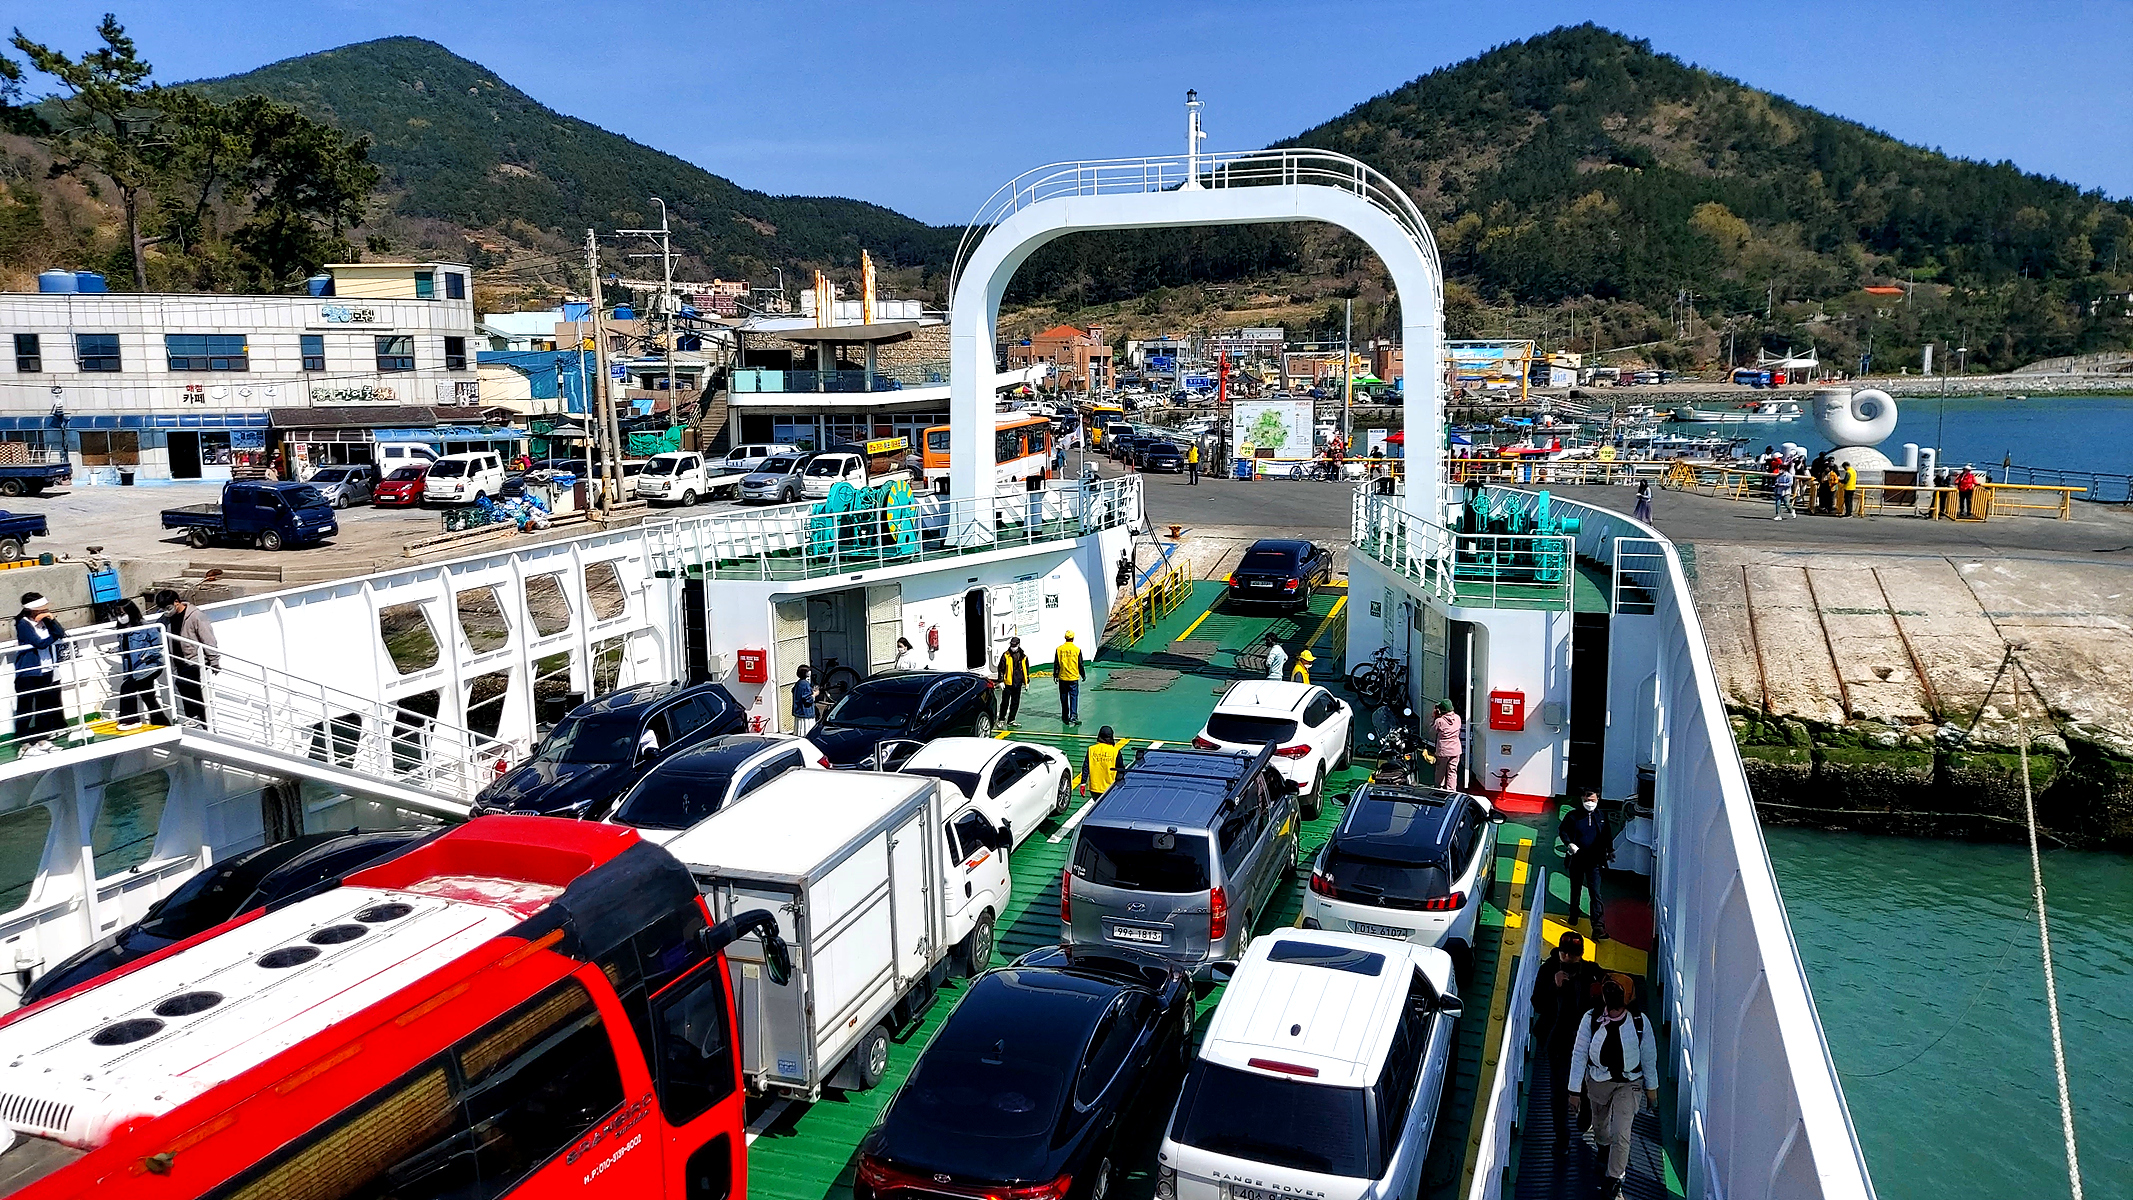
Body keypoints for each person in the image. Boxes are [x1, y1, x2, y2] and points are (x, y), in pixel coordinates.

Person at [1567, 979, 1660, 1198]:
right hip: (1598, 1081)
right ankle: (1603, 1147)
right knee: (1600, 1125)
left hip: (1629, 1083)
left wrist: (1651, 1088)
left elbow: (1648, 1057)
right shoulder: (1591, 1019)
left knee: (1621, 1131)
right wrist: (1574, 1091)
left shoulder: (1640, 1022)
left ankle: (1614, 1177)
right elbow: (1579, 1054)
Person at [1531, 931, 1604, 1148]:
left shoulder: (1592, 972)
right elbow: (1537, 1004)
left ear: (1580, 955)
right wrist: (1554, 987)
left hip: (1586, 1041)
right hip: (1558, 1041)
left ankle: (1586, 1115)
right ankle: (1562, 1139)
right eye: (1564, 953)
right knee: (1558, 1091)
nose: (1567, 958)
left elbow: (1611, 995)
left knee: (1587, 1085)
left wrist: (1598, 993)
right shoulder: (1548, 970)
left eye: (1572, 954)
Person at [12, 593, 68, 750]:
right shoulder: (23, 624)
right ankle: (24, 743)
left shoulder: (45, 620)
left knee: (44, 706)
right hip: (29, 671)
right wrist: (54, 637)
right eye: (41, 608)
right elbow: (39, 643)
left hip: (47, 669)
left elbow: (60, 633)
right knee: (25, 707)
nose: (44, 610)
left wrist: (51, 620)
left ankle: (42, 739)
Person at [156, 588, 219, 725]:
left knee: (185, 684)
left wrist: (214, 661)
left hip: (195, 660)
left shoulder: (195, 616)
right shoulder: (165, 619)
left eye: (168, 608)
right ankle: (195, 718)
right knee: (184, 686)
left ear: (176, 602)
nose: (166, 611)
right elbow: (154, 632)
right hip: (178, 661)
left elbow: (208, 638)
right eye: (163, 609)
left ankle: (199, 718)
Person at [1559, 789, 1613, 937]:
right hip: (1577, 858)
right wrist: (1569, 844)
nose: (1589, 803)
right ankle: (1574, 914)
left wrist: (1610, 850)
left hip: (1595, 860)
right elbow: (1563, 831)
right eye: (1586, 800)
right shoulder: (1572, 816)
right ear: (1582, 799)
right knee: (1576, 888)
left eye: (1592, 800)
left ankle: (1598, 926)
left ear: (1598, 799)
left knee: (1595, 892)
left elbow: (1607, 834)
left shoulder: (1601, 816)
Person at [112, 599, 168, 730]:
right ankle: (162, 723)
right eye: (118, 614)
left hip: (149, 666)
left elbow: (158, 646)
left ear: (130, 612)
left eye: (122, 614)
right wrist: (115, 649)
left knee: (127, 688)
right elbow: (126, 647)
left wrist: (146, 655)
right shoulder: (122, 630)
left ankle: (130, 720)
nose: (120, 617)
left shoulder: (145, 627)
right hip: (134, 668)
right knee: (148, 696)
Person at [997, 636, 1029, 725]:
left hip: (1018, 683)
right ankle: (1001, 719)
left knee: (1015, 702)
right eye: (1011, 645)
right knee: (1005, 702)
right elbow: (1001, 668)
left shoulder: (1023, 657)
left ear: (1018, 645)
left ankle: (1011, 720)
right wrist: (1001, 681)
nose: (1013, 647)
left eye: (1014, 645)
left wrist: (1027, 682)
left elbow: (1026, 670)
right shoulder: (1006, 655)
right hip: (1008, 683)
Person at [1081, 725, 1121, 798]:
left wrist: (1083, 783)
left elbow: (1086, 768)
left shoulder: (1091, 749)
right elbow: (1120, 769)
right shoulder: (1115, 751)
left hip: (1094, 789)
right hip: (1110, 788)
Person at [1432, 700, 1463, 789]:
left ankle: (1439, 788)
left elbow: (1432, 732)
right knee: (1452, 771)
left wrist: (1434, 717)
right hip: (1456, 749)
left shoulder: (1439, 721)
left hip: (1444, 750)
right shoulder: (1457, 718)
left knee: (1440, 770)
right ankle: (1451, 790)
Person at [1054, 631, 1083, 725]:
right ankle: (1073, 716)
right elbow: (1080, 664)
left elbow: (1056, 663)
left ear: (1065, 638)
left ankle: (1065, 716)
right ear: (1073, 638)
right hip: (1073, 677)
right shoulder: (1077, 650)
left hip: (1063, 677)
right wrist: (1083, 675)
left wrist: (1055, 675)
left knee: (1063, 696)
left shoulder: (1059, 649)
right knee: (1073, 696)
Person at [791, 664, 817, 736]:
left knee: (799, 730)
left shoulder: (798, 683)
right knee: (807, 731)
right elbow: (807, 699)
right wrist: (814, 694)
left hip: (799, 711)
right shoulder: (805, 684)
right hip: (806, 712)